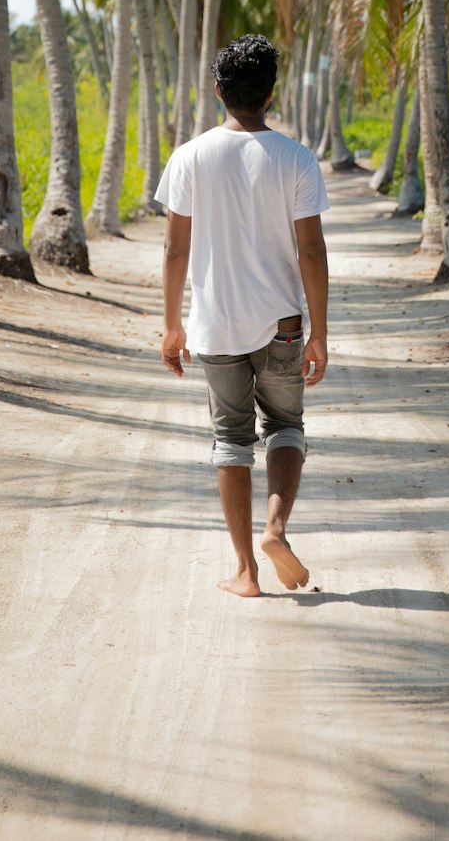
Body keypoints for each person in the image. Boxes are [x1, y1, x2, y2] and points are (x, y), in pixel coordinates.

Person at [156, 33, 330, 598]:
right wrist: (319, 334)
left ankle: (246, 573)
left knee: (230, 438)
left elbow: (175, 250)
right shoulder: (296, 158)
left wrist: (172, 325)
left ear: (217, 92)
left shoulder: (190, 156)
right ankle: (274, 529)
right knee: (285, 427)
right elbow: (311, 252)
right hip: (282, 323)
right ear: (271, 93)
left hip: (215, 325)